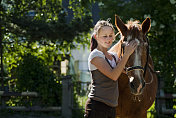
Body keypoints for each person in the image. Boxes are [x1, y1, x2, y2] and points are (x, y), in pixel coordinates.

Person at [84, 19, 138, 118]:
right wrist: (126, 54)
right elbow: (113, 76)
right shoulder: (95, 55)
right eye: (104, 36)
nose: (108, 39)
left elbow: (125, 72)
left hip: (112, 107)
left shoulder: (113, 56)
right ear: (96, 37)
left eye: (110, 35)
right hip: (97, 106)